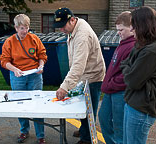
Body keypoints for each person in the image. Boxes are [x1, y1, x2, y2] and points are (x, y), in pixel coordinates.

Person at [53, 7, 106, 144]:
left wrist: (64, 87)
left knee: (89, 109)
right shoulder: (74, 27)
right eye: (59, 27)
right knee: (83, 105)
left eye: (63, 26)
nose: (61, 30)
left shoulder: (82, 36)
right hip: (84, 75)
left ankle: (87, 138)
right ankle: (85, 129)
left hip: (92, 76)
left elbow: (78, 65)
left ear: (72, 20)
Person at [120, 6, 156, 144]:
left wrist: (129, 68)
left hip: (141, 110)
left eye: (134, 26)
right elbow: (124, 63)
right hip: (133, 104)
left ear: (143, 26)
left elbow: (132, 81)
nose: (131, 29)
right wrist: (129, 68)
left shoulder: (153, 51)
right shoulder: (141, 45)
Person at [0, 14, 47, 144]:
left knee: (37, 104)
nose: (24, 31)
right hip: (18, 76)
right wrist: (14, 69)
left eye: (26, 28)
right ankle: (24, 131)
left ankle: (40, 135)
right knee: (20, 104)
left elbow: (42, 54)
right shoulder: (9, 42)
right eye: (21, 28)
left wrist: (41, 65)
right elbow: (4, 61)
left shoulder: (34, 39)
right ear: (15, 28)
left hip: (35, 76)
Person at [98, 11, 135, 144]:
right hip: (110, 91)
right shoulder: (122, 43)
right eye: (117, 30)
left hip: (120, 92)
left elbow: (128, 75)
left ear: (132, 27)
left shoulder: (133, 46)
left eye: (121, 30)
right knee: (103, 118)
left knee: (119, 127)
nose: (118, 33)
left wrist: (111, 83)